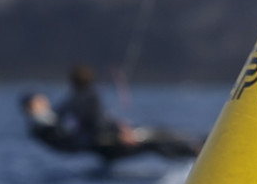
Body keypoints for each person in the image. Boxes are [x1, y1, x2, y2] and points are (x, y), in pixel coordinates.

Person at [19, 64, 202, 163]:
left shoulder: (63, 108)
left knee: (153, 144)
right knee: (155, 136)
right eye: (40, 102)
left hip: (102, 147)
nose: (46, 103)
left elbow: (79, 129)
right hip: (109, 141)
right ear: (30, 107)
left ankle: (194, 155)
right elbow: (90, 126)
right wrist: (118, 131)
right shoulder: (49, 118)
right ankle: (199, 150)